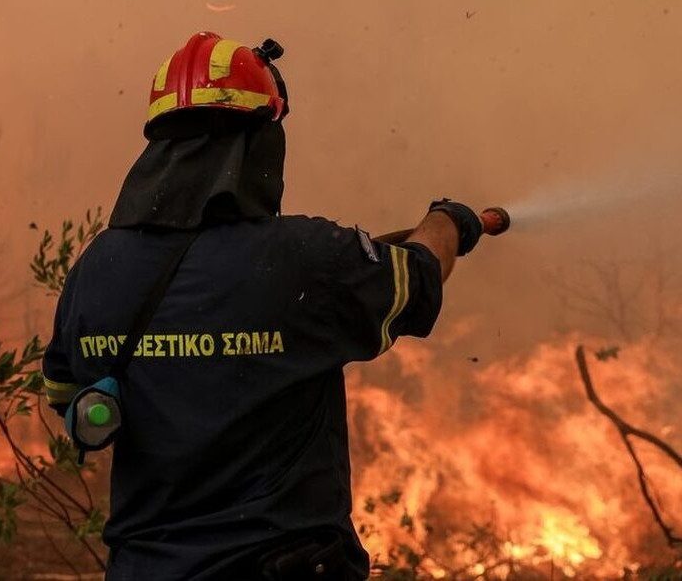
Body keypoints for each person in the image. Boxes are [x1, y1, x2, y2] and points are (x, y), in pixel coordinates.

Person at [41, 32, 484, 580]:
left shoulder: (96, 269)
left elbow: (65, 395)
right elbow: (417, 280)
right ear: (257, 147)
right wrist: (449, 221)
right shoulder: (303, 259)